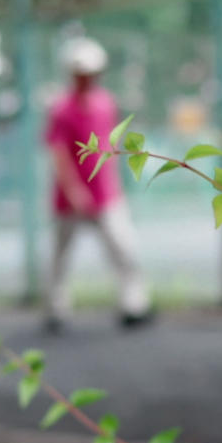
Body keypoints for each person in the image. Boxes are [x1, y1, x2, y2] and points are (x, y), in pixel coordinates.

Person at [42, 37, 153, 332]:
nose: (87, 78)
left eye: (91, 73)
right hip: (68, 200)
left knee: (125, 250)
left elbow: (109, 145)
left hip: (106, 195)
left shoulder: (106, 103)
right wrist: (73, 189)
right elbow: (57, 151)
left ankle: (134, 305)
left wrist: (112, 185)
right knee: (60, 257)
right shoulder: (60, 109)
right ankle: (55, 309)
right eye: (81, 73)